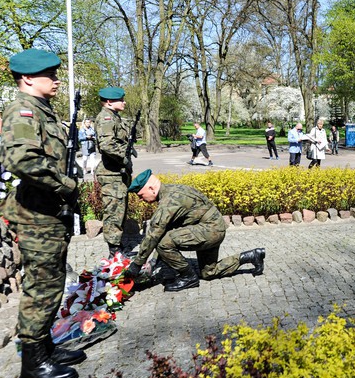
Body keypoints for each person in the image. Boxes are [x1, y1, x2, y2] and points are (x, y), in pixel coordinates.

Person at [0, 48, 85, 378]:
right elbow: (21, 160)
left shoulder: (42, 110)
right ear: (28, 78)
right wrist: (65, 183)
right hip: (37, 214)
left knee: (51, 282)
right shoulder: (23, 113)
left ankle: (45, 346)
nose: (57, 79)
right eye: (50, 74)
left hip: (49, 213)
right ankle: (32, 365)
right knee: (42, 286)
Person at [125, 170, 266, 292]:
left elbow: (154, 235)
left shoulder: (168, 203)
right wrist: (153, 262)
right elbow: (165, 229)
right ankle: (251, 256)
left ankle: (188, 277)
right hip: (214, 227)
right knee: (208, 273)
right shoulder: (174, 189)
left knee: (164, 243)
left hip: (209, 231)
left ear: (151, 189)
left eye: (141, 196)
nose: (141, 200)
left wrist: (137, 264)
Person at [96, 86, 133, 257]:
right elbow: (107, 145)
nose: (124, 102)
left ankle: (119, 247)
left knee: (120, 211)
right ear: (109, 102)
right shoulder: (106, 118)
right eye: (121, 100)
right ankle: (114, 252)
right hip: (111, 173)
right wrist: (124, 156)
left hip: (118, 173)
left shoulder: (115, 117)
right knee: (113, 213)